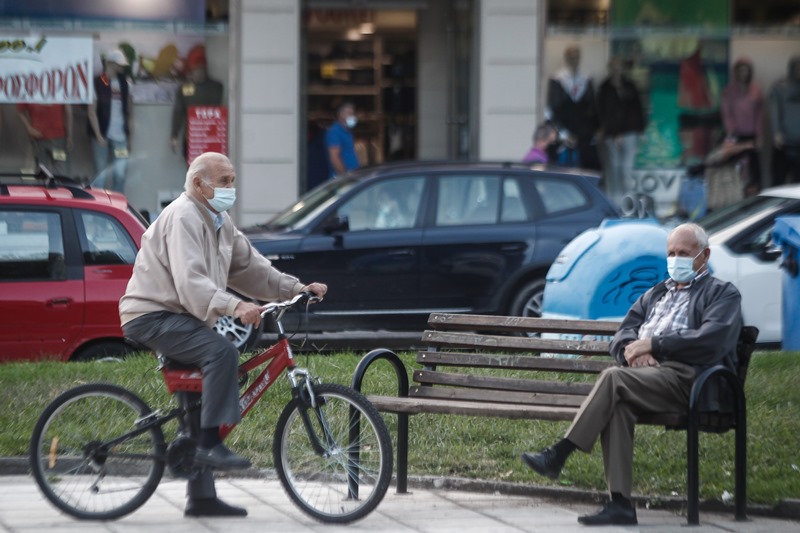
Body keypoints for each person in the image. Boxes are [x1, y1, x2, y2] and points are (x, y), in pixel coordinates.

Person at [119, 152, 327, 518]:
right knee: (221, 353)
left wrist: (297, 287)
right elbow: (190, 281)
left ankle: (201, 497)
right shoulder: (184, 216)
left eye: (233, 180)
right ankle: (212, 444)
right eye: (225, 181)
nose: (232, 188)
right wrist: (234, 306)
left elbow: (250, 267)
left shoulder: (217, 219)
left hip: (180, 315)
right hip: (153, 315)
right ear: (199, 184)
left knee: (197, 398)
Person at [520, 223, 742, 526]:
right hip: (648, 376)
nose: (676, 259)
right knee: (618, 407)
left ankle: (560, 453)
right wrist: (633, 351)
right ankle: (620, 504)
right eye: (671, 253)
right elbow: (623, 332)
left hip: (692, 380)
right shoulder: (657, 293)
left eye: (684, 253)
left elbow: (712, 339)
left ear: (704, 256)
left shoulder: (722, 293)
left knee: (614, 378)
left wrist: (655, 344)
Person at [597, 56, 646, 207]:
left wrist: (640, 129)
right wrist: (611, 131)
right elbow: (602, 112)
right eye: (614, 67)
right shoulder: (605, 88)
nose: (617, 70)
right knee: (613, 169)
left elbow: (637, 109)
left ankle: (627, 202)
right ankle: (615, 203)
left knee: (626, 169)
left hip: (629, 132)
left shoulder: (629, 86)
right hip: (611, 134)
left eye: (619, 67)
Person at [545, 45, 601, 170]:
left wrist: (595, 131)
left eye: (576, 56)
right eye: (571, 56)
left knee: (587, 169)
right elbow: (551, 109)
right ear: (566, 58)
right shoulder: (557, 79)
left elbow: (593, 107)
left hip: (585, 134)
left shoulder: (586, 78)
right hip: (564, 133)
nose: (574, 59)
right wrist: (563, 133)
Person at [87, 49, 133, 193]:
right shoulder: (97, 82)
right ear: (110, 63)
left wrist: (129, 137)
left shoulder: (125, 84)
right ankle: (97, 208)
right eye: (118, 64)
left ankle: (116, 206)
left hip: (120, 136)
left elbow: (129, 112)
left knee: (120, 174)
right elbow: (91, 111)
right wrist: (98, 135)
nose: (121, 67)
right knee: (100, 174)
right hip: (101, 134)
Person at [170, 45, 224, 163]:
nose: (198, 73)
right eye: (196, 69)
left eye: (201, 69)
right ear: (191, 70)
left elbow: (219, 112)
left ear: (206, 69)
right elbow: (178, 112)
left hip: (211, 138)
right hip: (191, 138)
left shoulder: (216, 87)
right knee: (194, 172)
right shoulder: (185, 89)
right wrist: (174, 135)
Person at [720, 57, 764, 194]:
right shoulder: (729, 92)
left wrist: (759, 135)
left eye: (746, 70)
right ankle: (736, 195)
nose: (743, 73)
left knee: (754, 170)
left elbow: (759, 115)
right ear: (736, 72)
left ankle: (753, 195)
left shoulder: (756, 91)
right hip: (735, 135)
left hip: (752, 135)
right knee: (735, 168)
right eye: (741, 70)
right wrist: (731, 133)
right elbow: (727, 114)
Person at [17, 104, 73, 177]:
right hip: (58, 139)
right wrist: (69, 136)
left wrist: (29, 128)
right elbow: (68, 112)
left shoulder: (29, 92)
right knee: (60, 169)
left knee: (42, 171)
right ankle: (59, 186)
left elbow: (20, 111)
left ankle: (43, 186)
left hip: (39, 138)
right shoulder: (60, 92)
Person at [769, 55, 800, 185]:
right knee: (778, 181)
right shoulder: (780, 88)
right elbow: (775, 111)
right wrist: (776, 132)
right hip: (784, 143)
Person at [325, 101, 360, 178]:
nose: (352, 117)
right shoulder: (335, 132)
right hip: (343, 179)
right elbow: (334, 157)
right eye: (349, 114)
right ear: (341, 115)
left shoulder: (347, 132)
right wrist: (345, 176)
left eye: (353, 114)